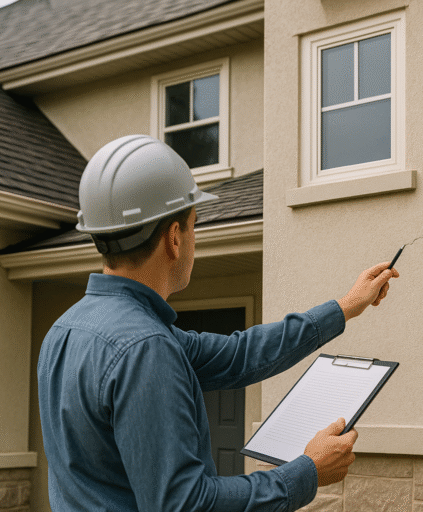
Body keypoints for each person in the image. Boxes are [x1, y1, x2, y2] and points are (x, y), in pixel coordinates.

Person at [37, 135, 399, 511]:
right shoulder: (146, 348)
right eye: (194, 225)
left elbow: (238, 354)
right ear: (174, 238)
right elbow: (186, 505)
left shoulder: (63, 332)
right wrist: (308, 471)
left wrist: (345, 306)